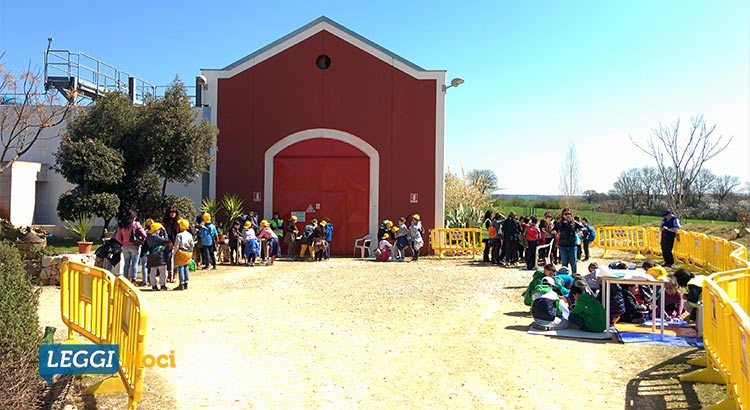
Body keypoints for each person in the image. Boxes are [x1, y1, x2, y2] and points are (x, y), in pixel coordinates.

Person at [114, 209, 148, 282]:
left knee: (126, 264)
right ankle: (133, 279)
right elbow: (144, 235)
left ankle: (125, 279)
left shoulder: (122, 225)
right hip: (135, 246)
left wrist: (123, 242)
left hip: (125, 246)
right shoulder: (136, 224)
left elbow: (117, 237)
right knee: (134, 264)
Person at [557, 208, 583, 274]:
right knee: (564, 263)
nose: (567, 215)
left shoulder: (574, 223)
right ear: (562, 215)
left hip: (572, 245)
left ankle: (574, 276)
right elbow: (554, 229)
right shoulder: (560, 223)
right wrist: (554, 232)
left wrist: (581, 231)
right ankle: (565, 277)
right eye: (566, 214)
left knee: (573, 262)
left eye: (569, 214)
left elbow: (583, 228)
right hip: (562, 245)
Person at [145, 222, 169, 291]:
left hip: (151, 254)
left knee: (153, 270)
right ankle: (162, 285)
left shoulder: (148, 236)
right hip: (159, 254)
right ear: (156, 230)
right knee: (162, 270)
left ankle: (154, 286)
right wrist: (164, 232)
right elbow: (165, 240)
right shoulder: (155, 236)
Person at [173, 218, 194, 290]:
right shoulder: (189, 235)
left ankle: (181, 283)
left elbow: (176, 245)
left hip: (181, 251)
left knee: (181, 267)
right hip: (188, 252)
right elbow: (192, 244)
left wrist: (173, 253)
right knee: (186, 267)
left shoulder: (179, 235)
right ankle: (186, 283)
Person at [162, 205, 180, 283]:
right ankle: (169, 275)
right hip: (168, 241)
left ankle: (175, 275)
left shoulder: (179, 221)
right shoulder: (166, 222)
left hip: (178, 240)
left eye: (174, 212)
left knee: (176, 259)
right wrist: (169, 241)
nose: (172, 214)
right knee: (168, 258)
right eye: (170, 212)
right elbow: (164, 232)